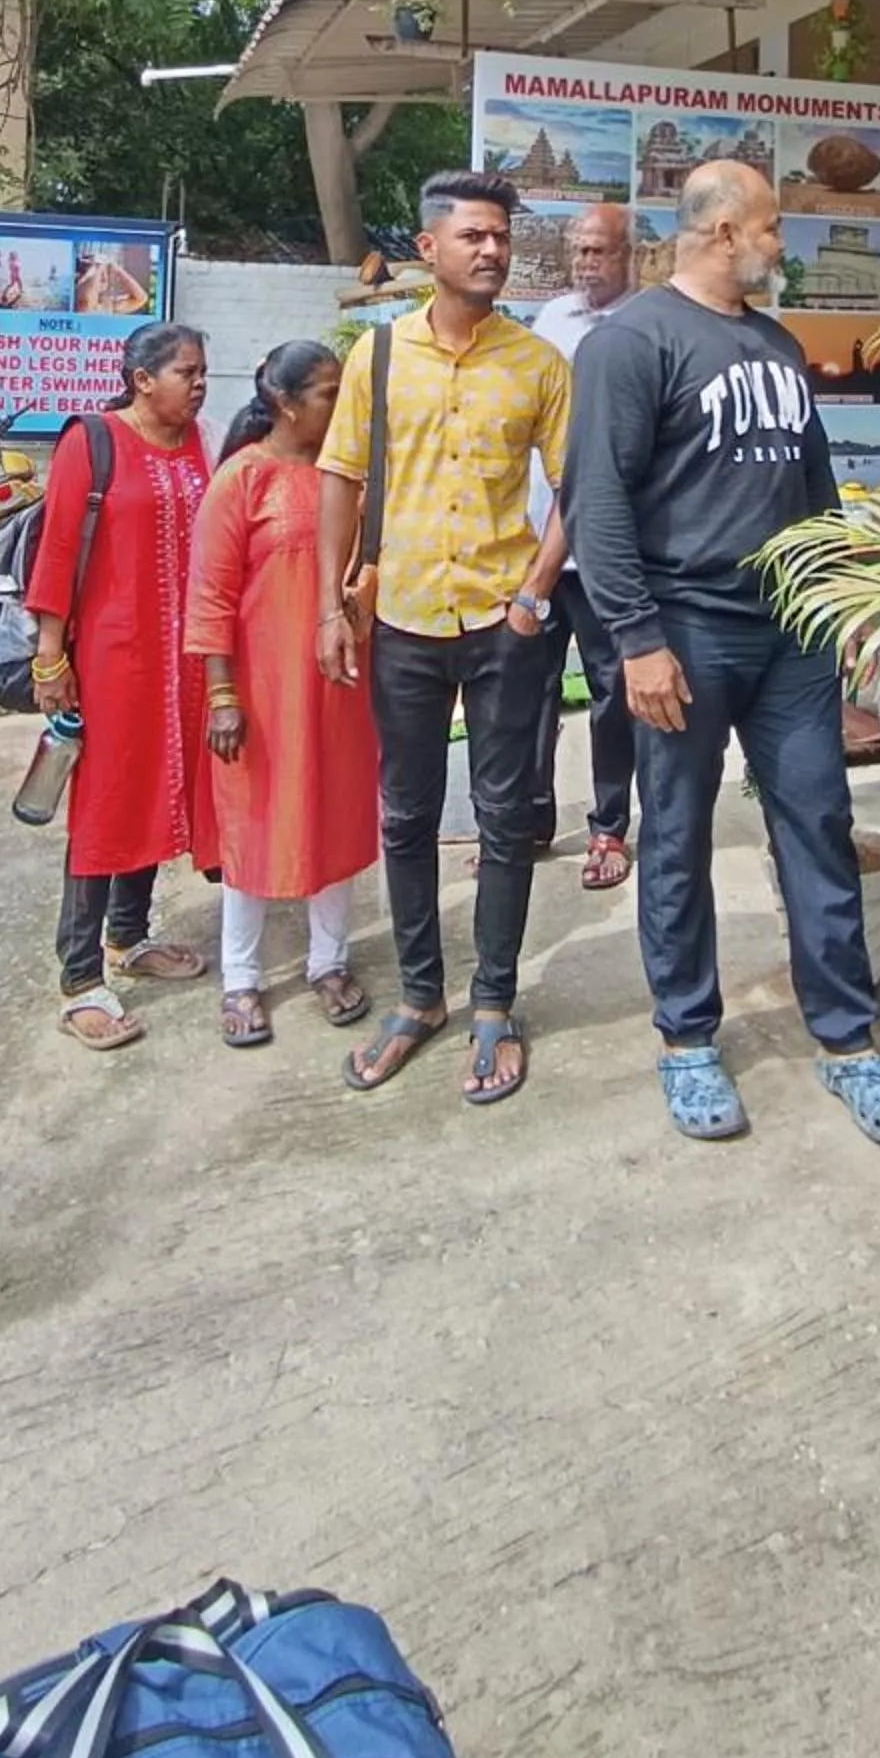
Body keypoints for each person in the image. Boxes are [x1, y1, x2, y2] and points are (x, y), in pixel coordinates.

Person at [565, 159, 880, 1152]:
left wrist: (843, 604)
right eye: (773, 228)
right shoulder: (630, 344)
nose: (783, 245)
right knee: (677, 835)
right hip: (684, 630)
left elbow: (814, 495)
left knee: (817, 822)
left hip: (792, 636)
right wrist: (637, 641)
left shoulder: (776, 344)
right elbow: (595, 507)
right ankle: (688, 1037)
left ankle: (849, 1040)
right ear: (725, 230)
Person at [316, 172, 570, 1109]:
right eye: (473, 236)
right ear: (429, 249)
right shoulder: (379, 358)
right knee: (407, 815)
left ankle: (495, 1002)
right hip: (405, 619)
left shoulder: (538, 363)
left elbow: (577, 484)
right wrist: (327, 607)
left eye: (500, 236)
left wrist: (535, 594)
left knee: (506, 822)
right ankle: (421, 996)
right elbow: (339, 479)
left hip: (504, 623)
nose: (492, 250)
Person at [26, 321, 216, 1053]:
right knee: (106, 802)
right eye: (188, 373)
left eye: (202, 373)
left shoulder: (199, 443)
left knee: (158, 786)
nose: (199, 385)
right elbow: (59, 547)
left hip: (185, 659)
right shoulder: (93, 441)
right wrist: (51, 655)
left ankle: (128, 938)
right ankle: (79, 979)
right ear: (143, 379)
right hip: (111, 657)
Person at [185, 342, 380, 1049]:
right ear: (286, 403)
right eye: (330, 393)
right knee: (255, 823)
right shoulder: (242, 480)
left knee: (336, 814)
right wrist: (222, 696)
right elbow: (208, 598)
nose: (341, 404)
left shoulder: (351, 478)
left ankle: (329, 962)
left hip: (341, 685)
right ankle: (242, 978)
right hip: (261, 692)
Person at [526, 203, 640, 887]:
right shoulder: (551, 324)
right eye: (579, 251)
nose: (586, 262)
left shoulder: (648, 327)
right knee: (529, 691)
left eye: (599, 250)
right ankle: (529, 822)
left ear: (631, 255)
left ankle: (608, 828)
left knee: (611, 690)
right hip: (541, 549)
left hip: (607, 551)